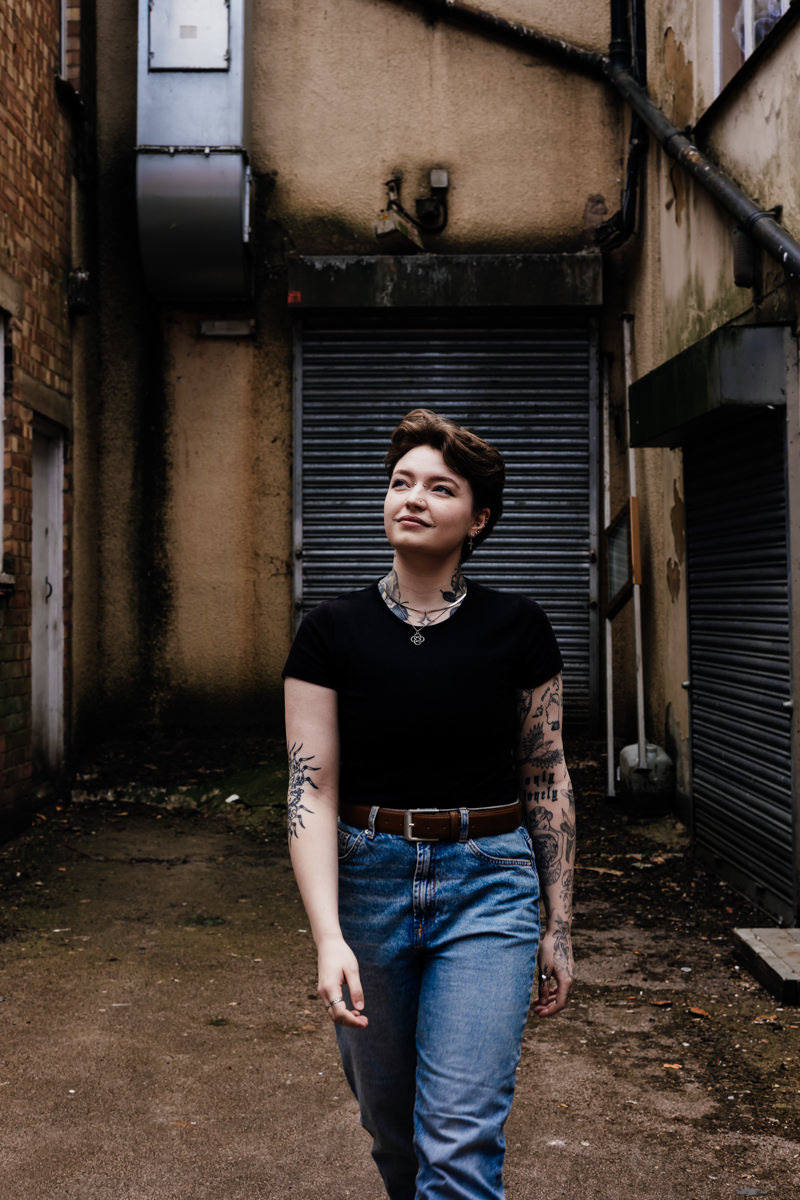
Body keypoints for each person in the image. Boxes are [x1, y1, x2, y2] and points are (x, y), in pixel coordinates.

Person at [283, 408, 575, 1200]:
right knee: (395, 1133)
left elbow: (546, 775)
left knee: (459, 1141)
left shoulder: (519, 627)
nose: (412, 497)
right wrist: (328, 938)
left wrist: (558, 923)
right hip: (367, 883)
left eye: (440, 488)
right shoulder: (329, 632)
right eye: (400, 482)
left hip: (489, 884)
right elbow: (310, 787)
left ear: (478, 519)